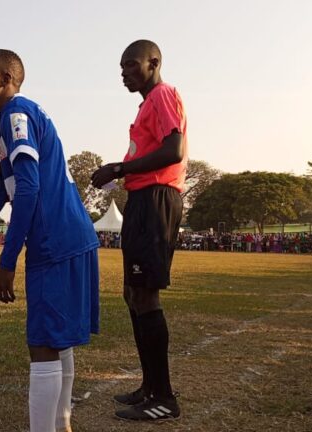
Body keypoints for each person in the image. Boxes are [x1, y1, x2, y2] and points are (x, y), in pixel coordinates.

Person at [0, 49, 100, 432]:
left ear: (6, 80)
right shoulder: (19, 115)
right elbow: (4, 189)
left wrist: (7, 262)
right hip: (72, 234)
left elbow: (30, 190)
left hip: (54, 240)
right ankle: (62, 423)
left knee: (43, 345)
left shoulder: (15, 116)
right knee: (58, 339)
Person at [91, 39, 186, 421]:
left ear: (154, 62)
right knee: (133, 293)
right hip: (142, 199)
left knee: (145, 296)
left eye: (131, 65)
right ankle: (149, 386)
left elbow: (173, 150)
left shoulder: (163, 95)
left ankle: (164, 398)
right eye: (122, 68)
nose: (125, 73)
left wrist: (118, 169)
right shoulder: (148, 103)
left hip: (156, 198)